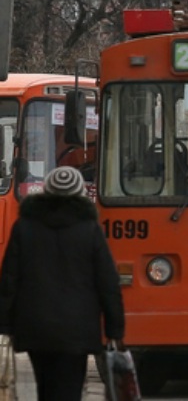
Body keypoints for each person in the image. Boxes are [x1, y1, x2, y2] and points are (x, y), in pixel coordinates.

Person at [0, 166, 125, 400]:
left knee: (45, 389)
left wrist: (5, 324)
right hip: (77, 329)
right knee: (69, 389)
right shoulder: (90, 230)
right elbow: (108, 283)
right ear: (79, 193)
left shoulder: (24, 227)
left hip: (36, 326)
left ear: (46, 191)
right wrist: (114, 329)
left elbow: (9, 280)